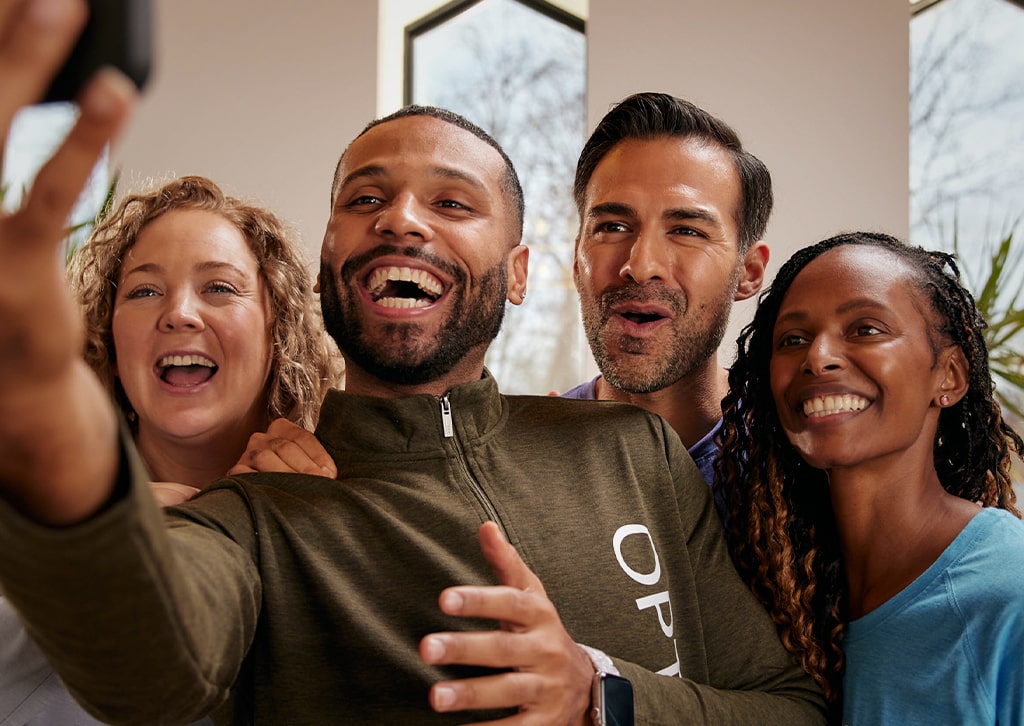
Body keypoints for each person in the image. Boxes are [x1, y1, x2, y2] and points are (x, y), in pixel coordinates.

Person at [0, 7, 824, 723]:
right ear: (328, 255)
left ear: (520, 272)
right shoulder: (260, 507)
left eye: (452, 203)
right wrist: (42, 411)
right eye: (365, 199)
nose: (400, 220)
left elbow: (788, 709)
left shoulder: (629, 449)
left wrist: (601, 696)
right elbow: (143, 673)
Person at [0, 174, 341, 725]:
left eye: (220, 288)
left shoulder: (331, 498)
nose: (179, 313)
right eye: (143, 291)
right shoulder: (33, 515)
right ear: (108, 341)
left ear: (277, 331)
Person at [717, 231, 1024, 723]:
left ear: (948, 376)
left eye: (866, 329)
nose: (817, 357)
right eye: (793, 340)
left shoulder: (1008, 590)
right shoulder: (780, 593)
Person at [562, 92, 771, 490]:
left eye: (687, 231)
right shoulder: (525, 462)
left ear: (748, 272)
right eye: (612, 227)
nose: (640, 266)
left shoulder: (802, 460)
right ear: (577, 259)